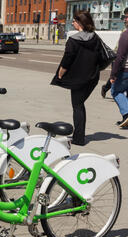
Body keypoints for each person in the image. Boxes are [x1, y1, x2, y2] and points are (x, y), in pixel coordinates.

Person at [50, 10, 101, 146]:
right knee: (80, 104)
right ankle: (79, 135)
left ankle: (79, 138)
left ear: (79, 23)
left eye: (73, 21)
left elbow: (67, 60)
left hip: (78, 79)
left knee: (77, 106)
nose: (72, 23)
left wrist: (60, 74)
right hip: (92, 78)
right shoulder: (95, 38)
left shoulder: (73, 40)